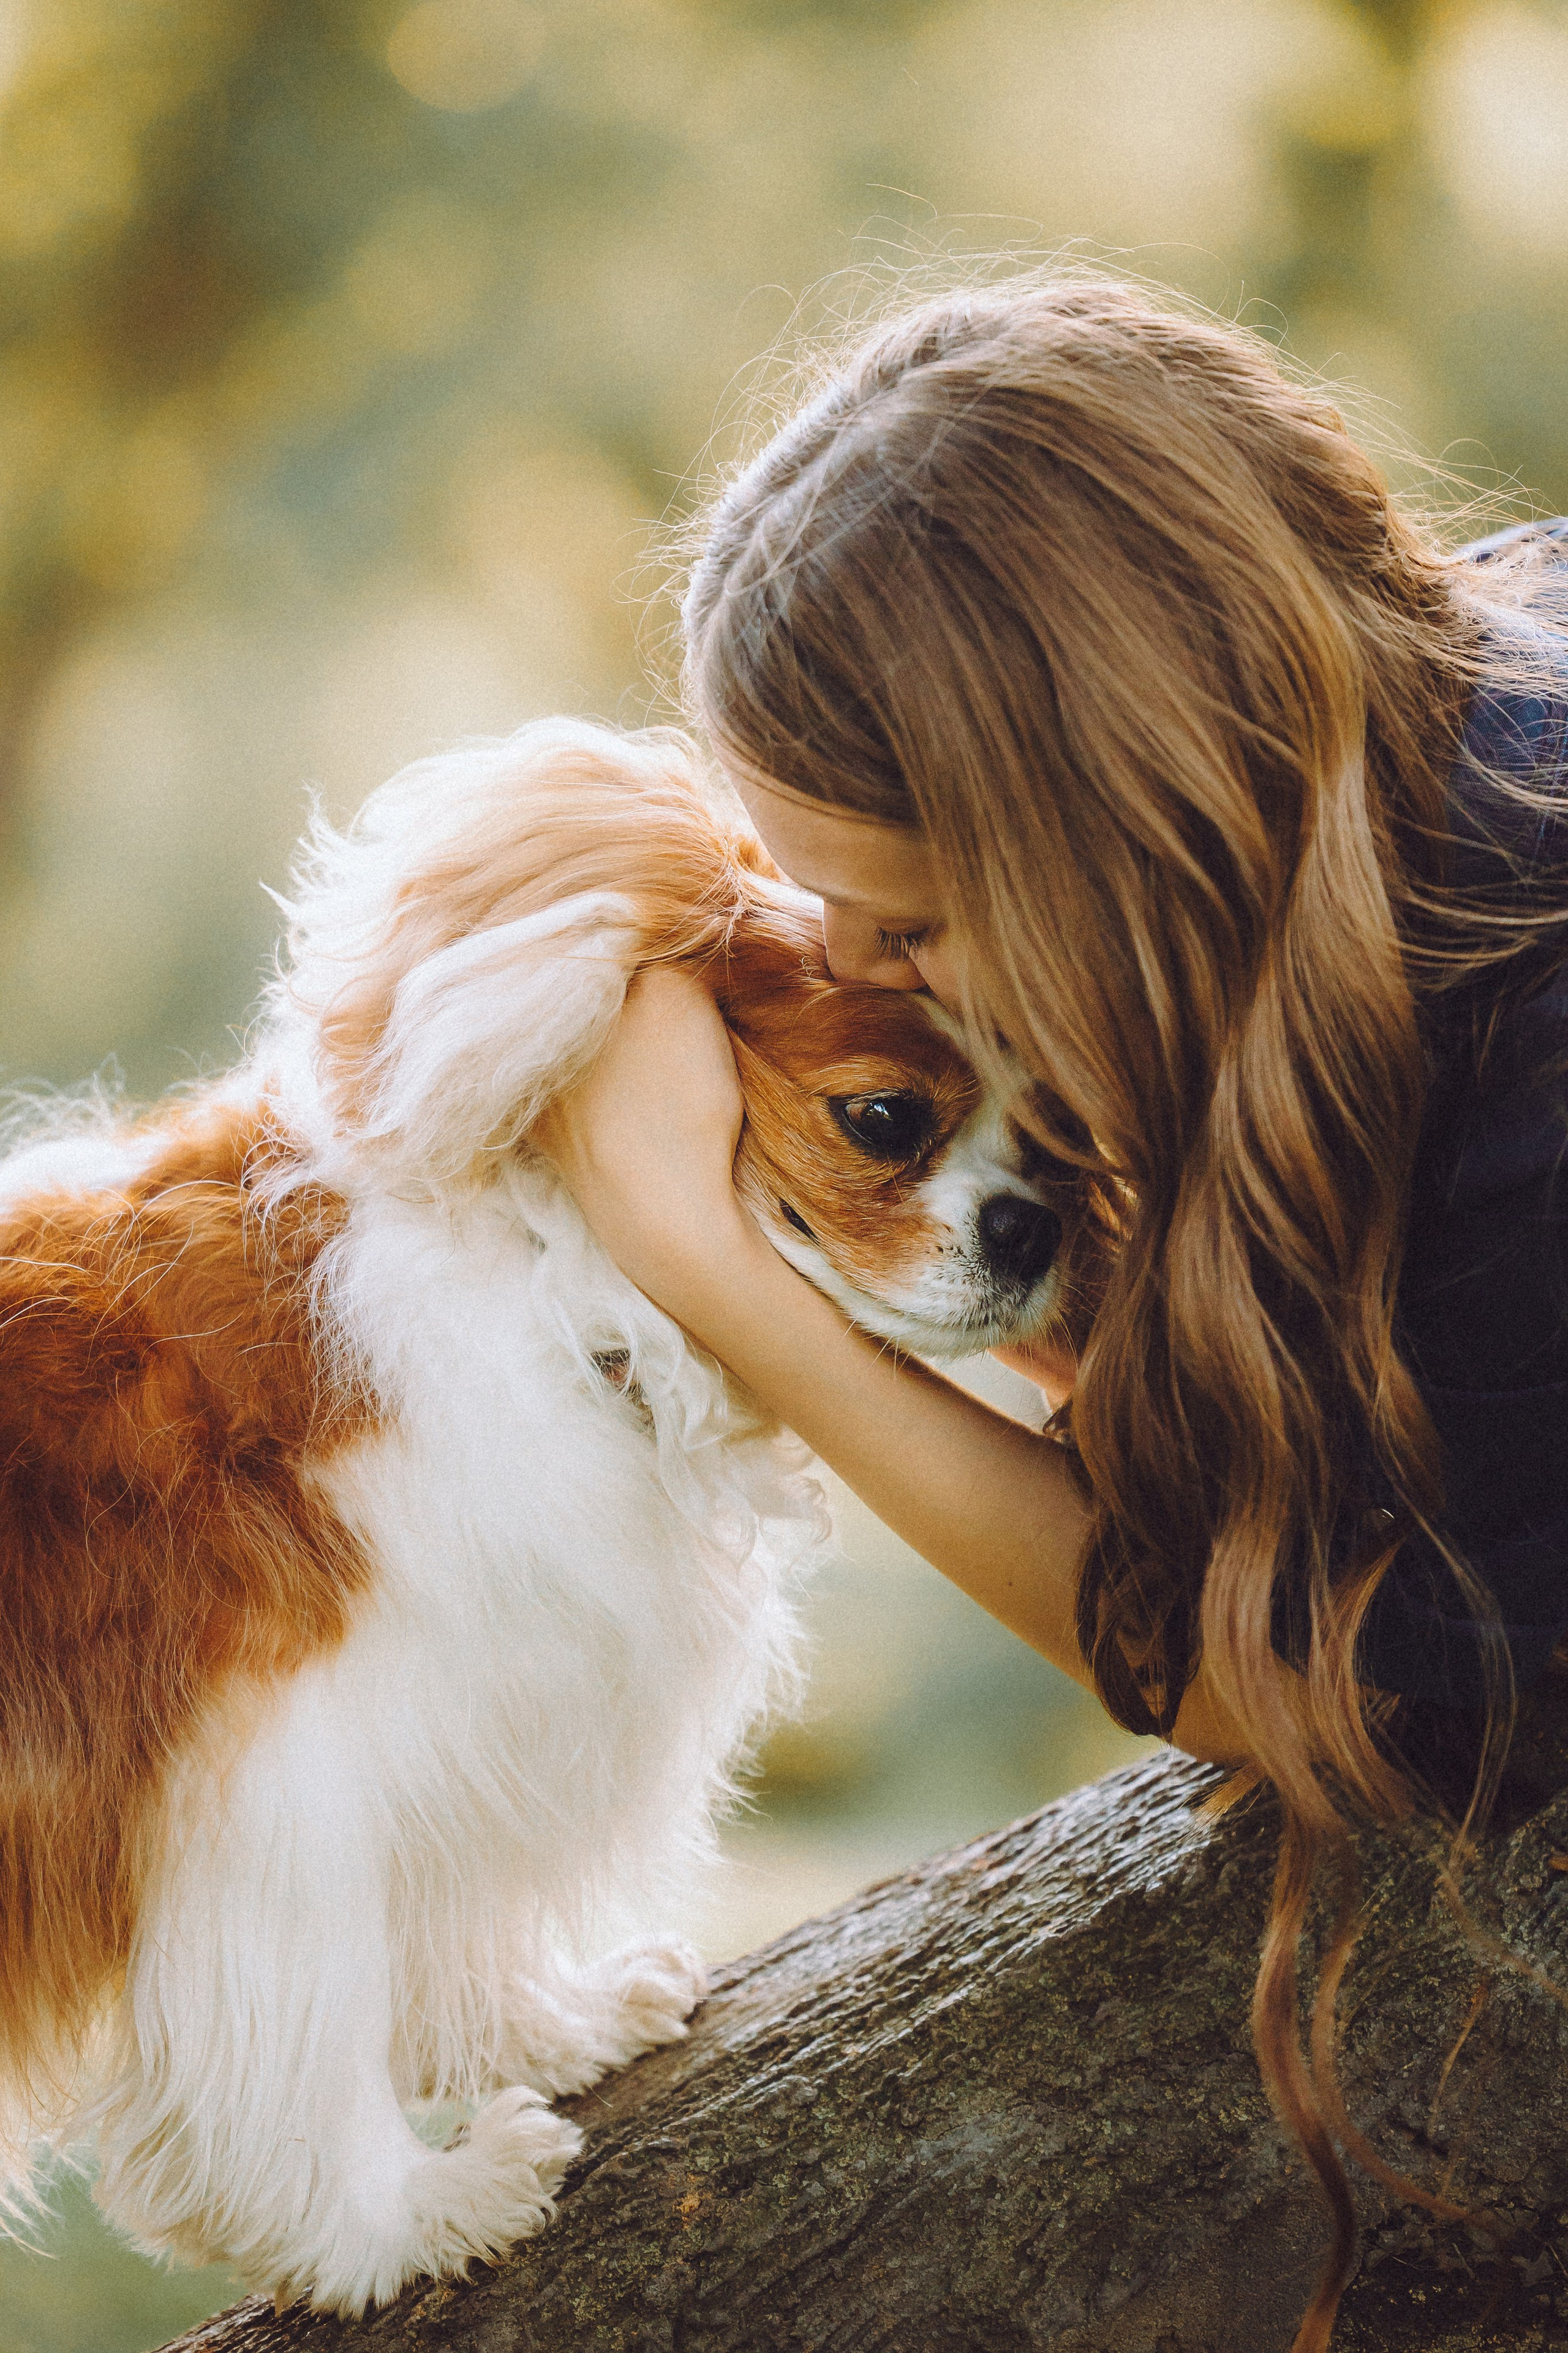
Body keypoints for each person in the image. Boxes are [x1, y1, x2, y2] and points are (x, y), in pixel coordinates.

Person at [540, 273, 1568, 2351]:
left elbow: (1339, 1684)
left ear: (1122, 827)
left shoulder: (1531, 1028)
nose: (869, 969)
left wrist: (723, 1266)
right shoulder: (1412, 757)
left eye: (906, 922)